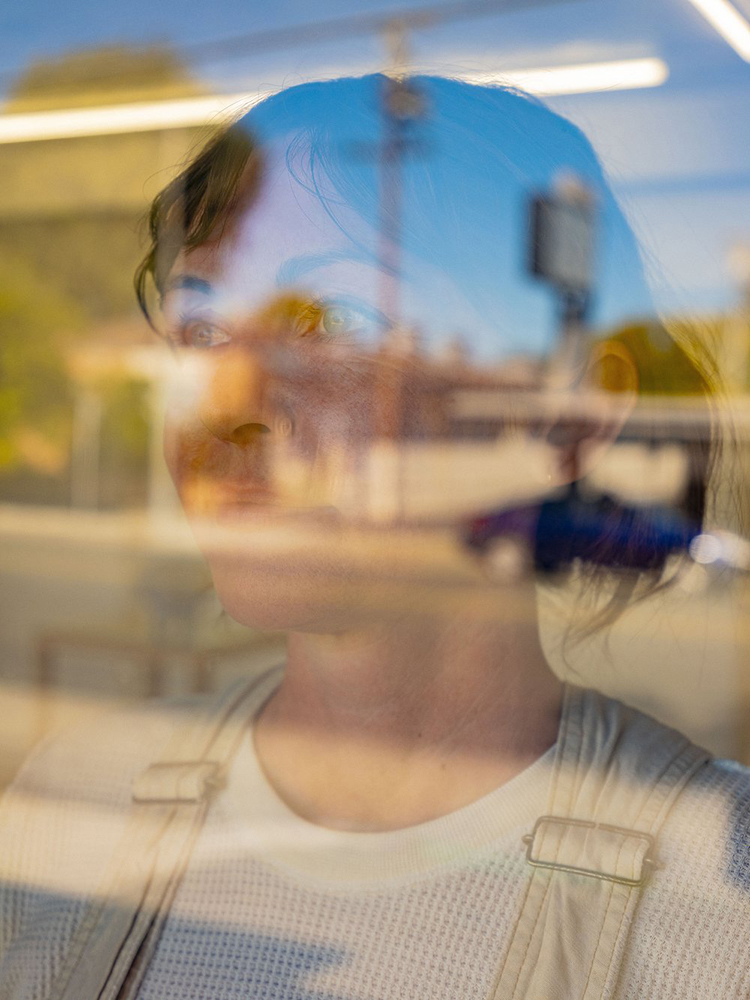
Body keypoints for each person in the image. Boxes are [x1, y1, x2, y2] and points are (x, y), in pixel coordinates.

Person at [0, 74, 747, 1000]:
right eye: (199, 328)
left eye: (330, 322)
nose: (227, 408)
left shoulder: (722, 894)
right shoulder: (71, 799)